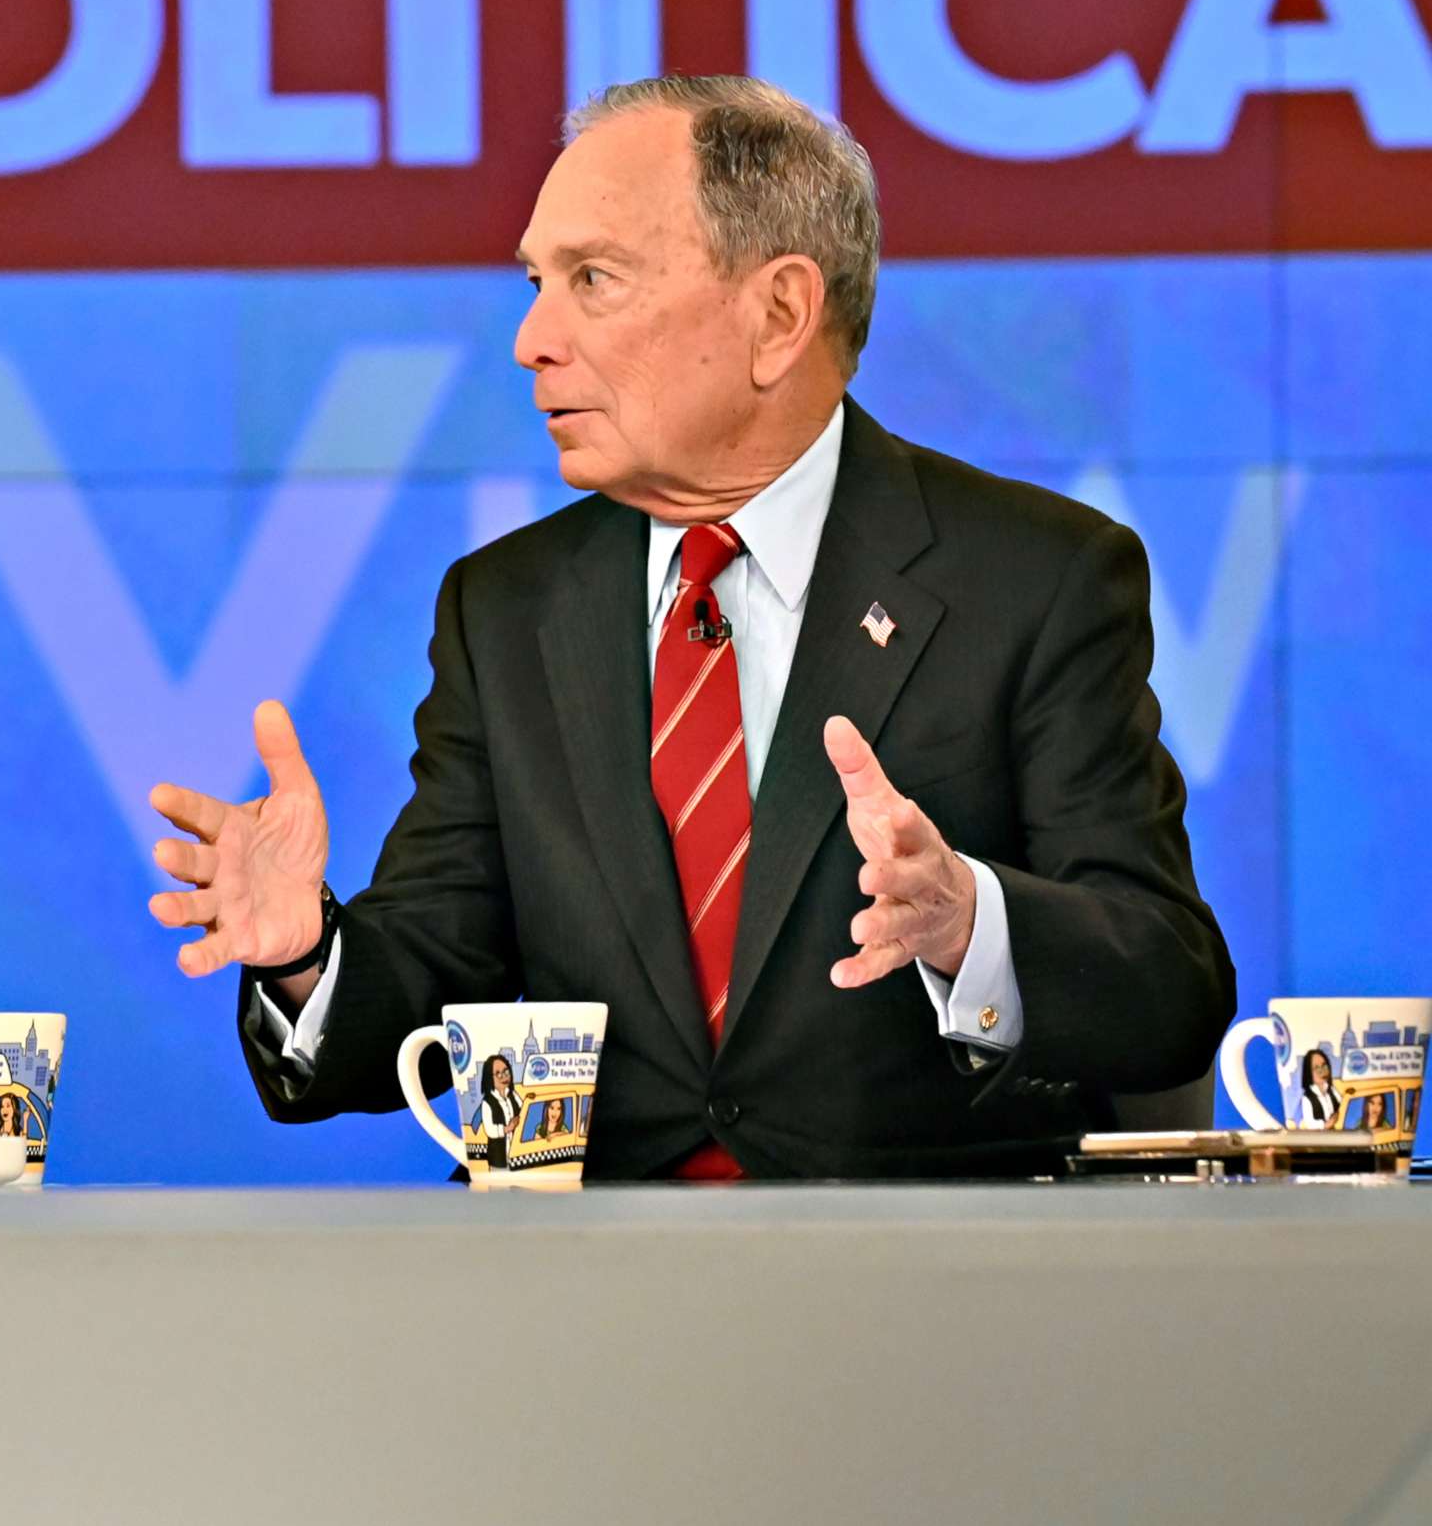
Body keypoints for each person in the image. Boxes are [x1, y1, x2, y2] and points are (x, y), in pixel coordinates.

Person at [145, 75, 1234, 1180]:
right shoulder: (507, 608)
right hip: (593, 1299)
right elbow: (435, 973)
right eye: (535, 282)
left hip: (922, 1292)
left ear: (777, 315)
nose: (531, 338)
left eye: (594, 280)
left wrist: (969, 927)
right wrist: (306, 956)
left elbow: (1167, 989)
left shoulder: (1035, 577)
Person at [474, 1054, 522, 1168]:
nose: (504, 1077)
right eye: (498, 1074)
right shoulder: (487, 1102)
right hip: (498, 1159)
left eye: (506, 1072)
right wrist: (507, 1129)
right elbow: (490, 1130)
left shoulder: (513, 1095)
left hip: (516, 1155)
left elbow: (523, 1110)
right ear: (489, 1077)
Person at [1297, 1048, 1342, 1130]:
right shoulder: (1307, 1098)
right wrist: (1326, 1124)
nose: (1322, 1071)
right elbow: (1310, 1123)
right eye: (1316, 1068)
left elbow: (1341, 1105)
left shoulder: (1332, 1090)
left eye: (1324, 1065)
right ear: (1309, 1072)